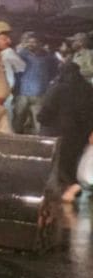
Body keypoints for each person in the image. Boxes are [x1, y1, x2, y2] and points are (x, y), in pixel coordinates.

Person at [38, 60, 93, 201]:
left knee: (58, 164)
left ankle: (62, 191)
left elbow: (45, 113)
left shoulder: (57, 88)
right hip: (81, 133)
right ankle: (73, 188)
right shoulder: (88, 88)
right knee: (73, 161)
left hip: (58, 133)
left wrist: (42, 120)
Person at [11, 31, 59, 134]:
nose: (31, 44)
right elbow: (15, 72)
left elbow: (54, 73)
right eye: (28, 42)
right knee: (18, 121)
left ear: (40, 43)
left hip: (40, 95)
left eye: (34, 42)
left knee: (39, 124)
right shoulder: (20, 55)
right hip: (22, 94)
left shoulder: (49, 58)